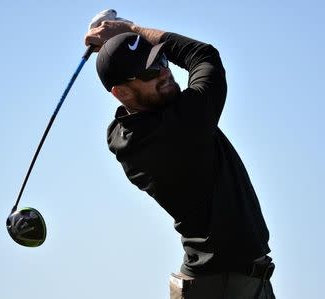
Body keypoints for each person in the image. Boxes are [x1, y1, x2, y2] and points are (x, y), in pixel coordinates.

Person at [85, 18, 276, 299]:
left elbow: (142, 102)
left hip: (223, 281)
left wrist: (120, 49)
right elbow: (202, 55)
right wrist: (134, 30)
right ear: (122, 93)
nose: (164, 73)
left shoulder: (123, 133)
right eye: (149, 72)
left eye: (161, 59)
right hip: (224, 286)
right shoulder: (184, 124)